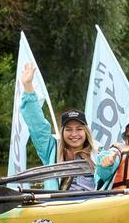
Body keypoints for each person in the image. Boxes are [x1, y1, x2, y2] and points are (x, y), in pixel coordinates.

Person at [20, 63, 96, 191]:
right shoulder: (50, 150)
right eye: (68, 129)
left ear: (86, 131)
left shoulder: (97, 153)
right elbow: (37, 125)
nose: (74, 134)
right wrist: (28, 87)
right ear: (62, 132)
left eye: (79, 129)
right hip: (58, 204)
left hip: (92, 204)